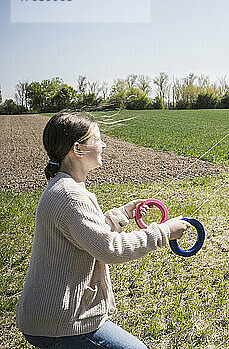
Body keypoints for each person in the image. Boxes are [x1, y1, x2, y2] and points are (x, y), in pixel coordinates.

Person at [16, 111, 190, 348]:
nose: (104, 144)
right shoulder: (70, 195)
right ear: (78, 150)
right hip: (60, 322)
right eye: (98, 139)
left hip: (50, 316)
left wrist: (121, 215)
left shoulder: (64, 187)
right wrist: (163, 232)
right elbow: (110, 249)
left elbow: (82, 234)